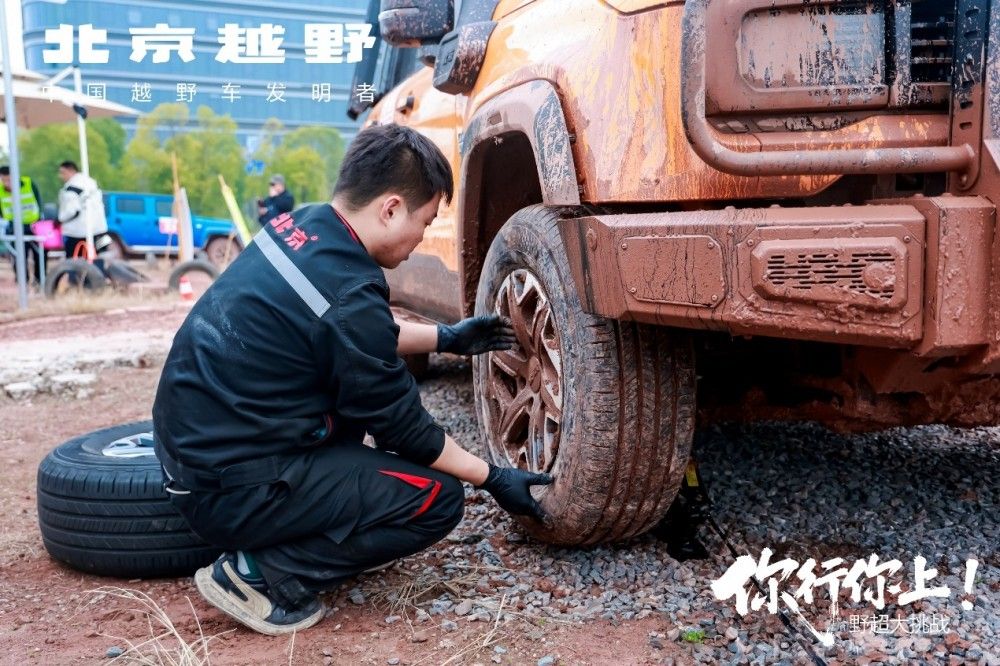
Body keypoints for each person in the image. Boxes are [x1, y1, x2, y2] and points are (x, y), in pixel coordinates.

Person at [152, 124, 552, 636]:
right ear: (390, 209)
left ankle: (278, 533)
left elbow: (343, 331)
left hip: (195, 455)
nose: (421, 239)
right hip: (232, 486)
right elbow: (406, 430)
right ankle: (258, 575)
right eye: (425, 223)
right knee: (437, 499)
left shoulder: (302, 227)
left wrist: (447, 338)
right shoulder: (347, 294)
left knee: (345, 424)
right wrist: (494, 478)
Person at [56, 160, 113, 259]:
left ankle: (76, 275)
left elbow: (72, 211)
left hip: (77, 233)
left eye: (63, 173)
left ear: (71, 171)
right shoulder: (92, 183)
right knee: (99, 259)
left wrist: (59, 220)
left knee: (73, 262)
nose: (61, 176)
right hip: (100, 229)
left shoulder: (71, 189)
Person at [0, 166, 43, 285]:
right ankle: (22, 282)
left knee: (39, 255)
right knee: (18, 257)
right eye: (4, 180)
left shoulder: (28, 184)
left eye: (9, 180)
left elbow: (39, 202)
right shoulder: (0, 190)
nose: (7, 183)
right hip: (13, 228)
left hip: (33, 226)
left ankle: (39, 281)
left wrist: (39, 220)